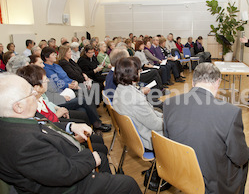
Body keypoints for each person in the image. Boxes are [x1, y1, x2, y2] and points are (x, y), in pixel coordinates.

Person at [0, 73, 142, 194]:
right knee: (127, 184)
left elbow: (46, 124)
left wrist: (71, 125)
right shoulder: (24, 143)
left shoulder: (15, 121)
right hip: (65, 186)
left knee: (103, 158)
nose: (35, 95)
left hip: (60, 164)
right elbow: (65, 174)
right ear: (18, 106)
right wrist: (90, 159)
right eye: (30, 93)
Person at [163, 63, 249, 194]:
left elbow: (167, 140)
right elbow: (240, 157)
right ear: (218, 82)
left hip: (179, 172)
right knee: (245, 159)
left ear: (193, 82)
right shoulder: (230, 113)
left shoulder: (169, 104)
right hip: (211, 183)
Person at [113, 57, 163, 151]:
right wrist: (171, 120)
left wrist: (164, 116)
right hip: (149, 139)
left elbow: (149, 114)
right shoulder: (135, 99)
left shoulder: (119, 90)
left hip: (133, 136)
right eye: (139, 70)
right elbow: (155, 124)